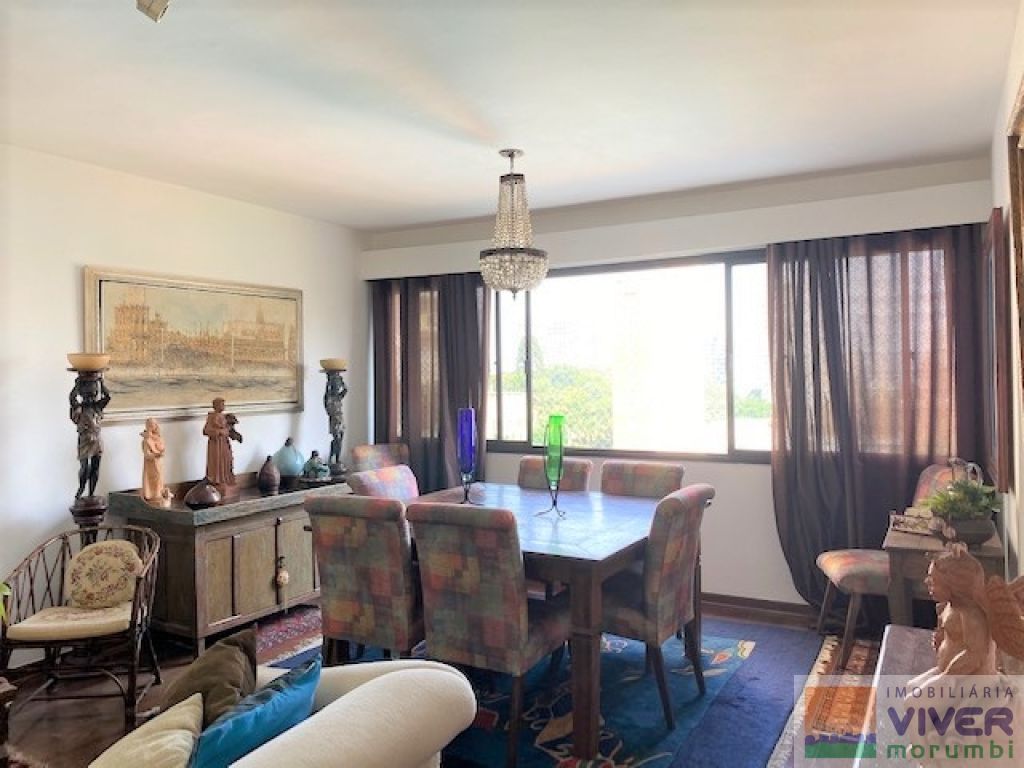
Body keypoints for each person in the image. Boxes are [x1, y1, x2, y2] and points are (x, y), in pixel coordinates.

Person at [69, 375, 111, 499]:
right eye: (87, 395)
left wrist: (101, 383)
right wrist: (77, 384)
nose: (90, 397)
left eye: (93, 394)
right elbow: (71, 397)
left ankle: (91, 493)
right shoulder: (78, 408)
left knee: (95, 467)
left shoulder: (97, 407)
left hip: (96, 439)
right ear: (82, 395)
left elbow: (108, 396)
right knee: (85, 467)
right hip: (84, 439)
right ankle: (81, 488)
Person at [204, 398, 242, 490]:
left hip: (224, 443)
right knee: (217, 462)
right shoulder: (211, 417)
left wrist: (232, 432)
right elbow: (206, 431)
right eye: (221, 404)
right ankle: (217, 481)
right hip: (216, 444)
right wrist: (220, 432)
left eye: (224, 404)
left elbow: (230, 429)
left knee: (227, 460)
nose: (223, 406)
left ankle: (226, 479)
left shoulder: (225, 417)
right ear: (215, 406)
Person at [141, 417, 173, 506]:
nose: (152, 426)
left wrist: (160, 454)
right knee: (152, 479)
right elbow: (147, 454)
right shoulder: (146, 440)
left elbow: (162, 448)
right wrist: (155, 455)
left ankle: (159, 494)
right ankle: (152, 495)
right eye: (150, 425)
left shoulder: (158, 438)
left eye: (154, 424)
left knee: (159, 478)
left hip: (158, 462)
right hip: (151, 464)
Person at [323, 372, 348, 469]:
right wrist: (328, 383)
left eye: (338, 387)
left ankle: (337, 459)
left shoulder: (338, 397)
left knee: (340, 440)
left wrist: (342, 381)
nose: (337, 388)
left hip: (341, 420)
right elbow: (328, 407)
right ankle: (332, 458)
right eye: (336, 386)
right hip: (334, 421)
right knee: (336, 440)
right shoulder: (329, 398)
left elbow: (346, 390)